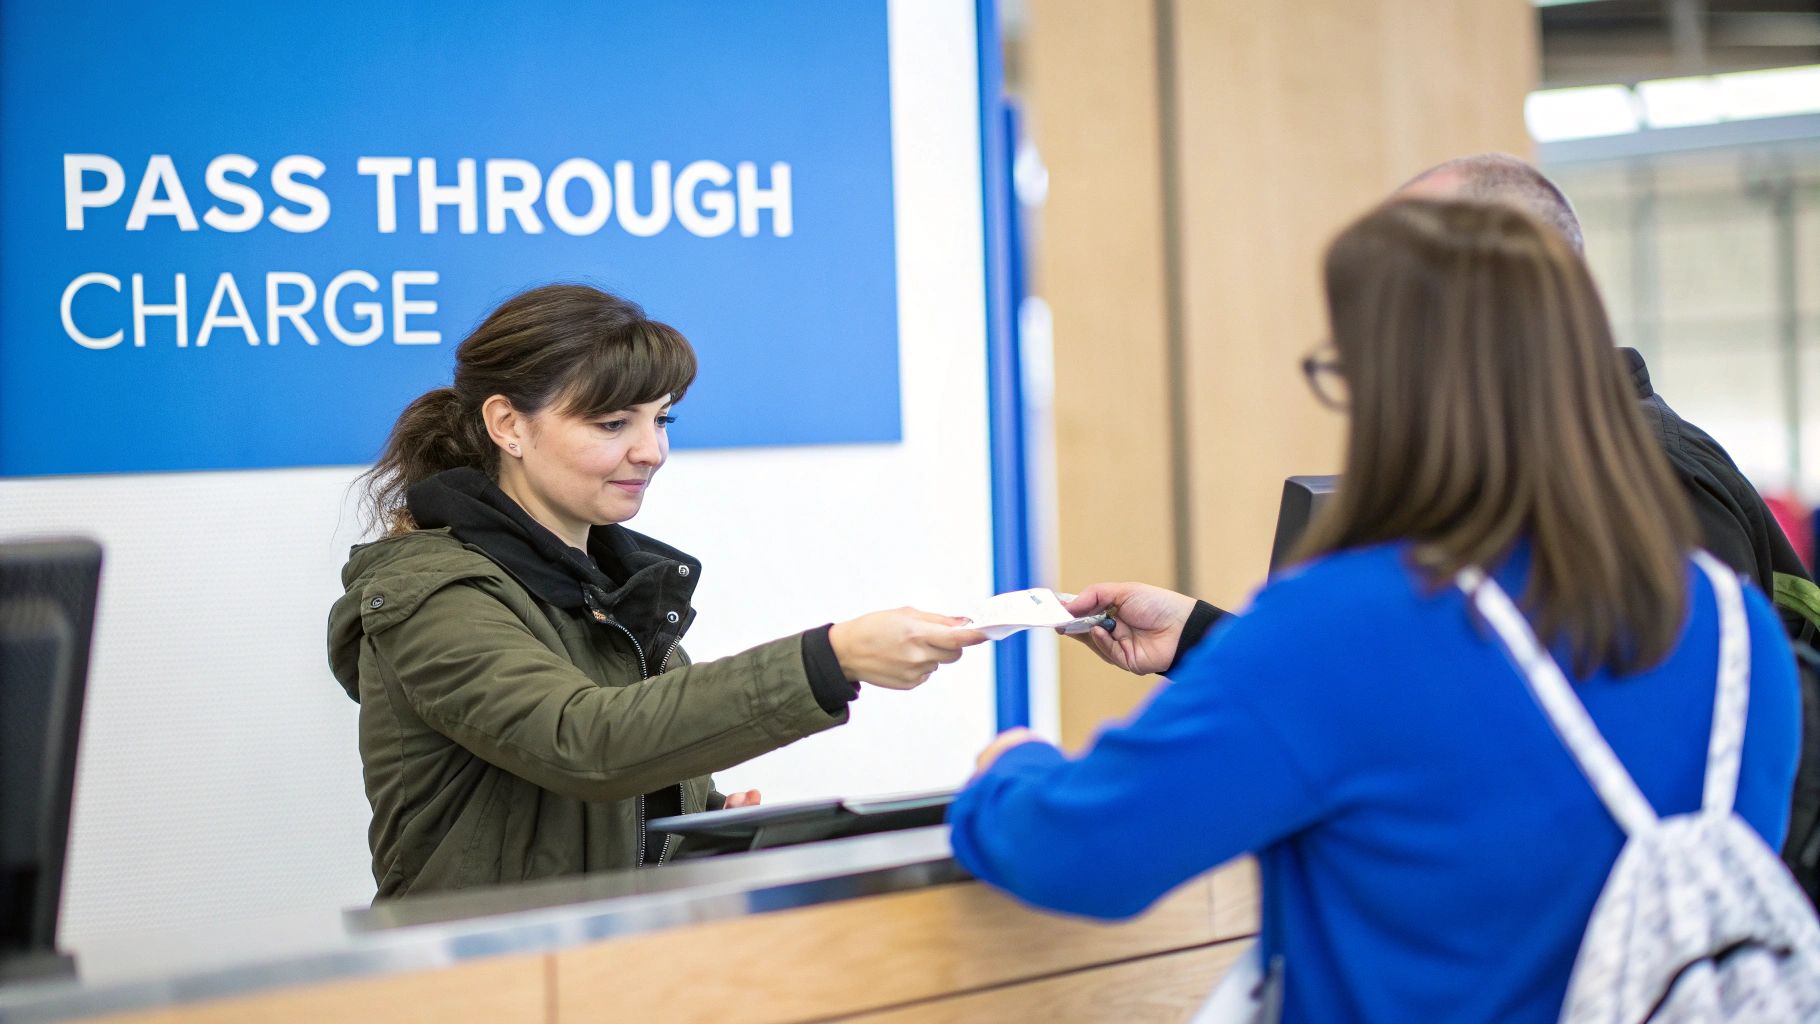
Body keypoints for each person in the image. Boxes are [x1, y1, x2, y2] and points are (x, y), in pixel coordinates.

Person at [947, 199, 1800, 1022]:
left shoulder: (1348, 623)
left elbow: (1086, 852)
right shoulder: (1736, 629)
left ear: (1397, 384)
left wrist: (1011, 772)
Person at [327, 283, 984, 899]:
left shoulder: (615, 592)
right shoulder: (435, 593)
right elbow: (584, 742)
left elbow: (605, 793)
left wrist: (703, 825)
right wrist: (828, 660)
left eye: (662, 420)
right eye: (613, 424)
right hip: (476, 983)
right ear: (508, 424)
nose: (653, 451)